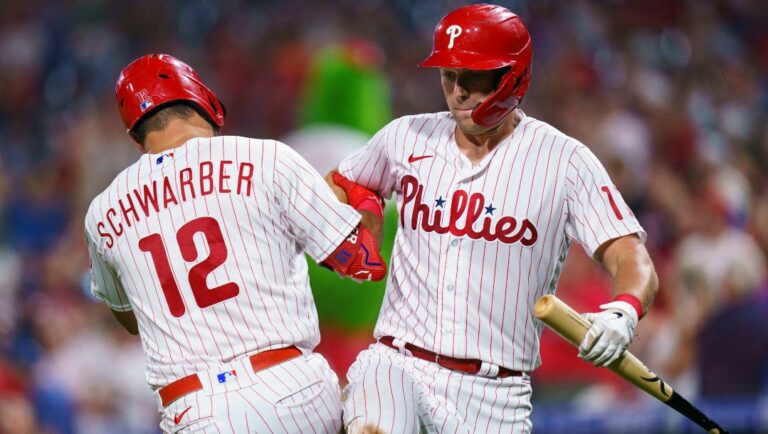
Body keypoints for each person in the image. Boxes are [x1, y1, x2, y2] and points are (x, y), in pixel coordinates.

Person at [326, 4, 659, 433]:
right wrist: (366, 205)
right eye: (449, 75)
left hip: (495, 395)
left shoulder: (565, 161)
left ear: (513, 75)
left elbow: (633, 257)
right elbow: (339, 183)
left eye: (474, 75)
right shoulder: (405, 135)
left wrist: (623, 313)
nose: (458, 91)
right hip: (398, 363)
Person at [83, 53, 387, 434]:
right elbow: (360, 264)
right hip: (292, 387)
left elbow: (128, 318)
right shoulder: (264, 157)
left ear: (135, 135)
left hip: (194, 409)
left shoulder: (102, 213)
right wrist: (367, 205)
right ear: (205, 101)